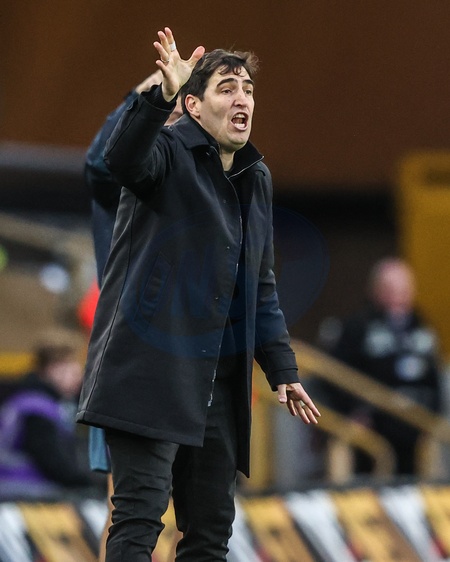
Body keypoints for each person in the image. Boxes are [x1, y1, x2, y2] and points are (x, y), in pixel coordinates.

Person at [77, 27, 320, 561]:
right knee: (138, 521)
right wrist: (159, 97)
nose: (242, 99)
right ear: (193, 105)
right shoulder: (165, 150)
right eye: (226, 89)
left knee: (210, 535)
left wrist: (282, 369)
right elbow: (119, 161)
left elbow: (260, 285)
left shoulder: (256, 177)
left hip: (218, 383)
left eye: (248, 89)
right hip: (148, 374)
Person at [83, 68, 183, 562]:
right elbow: (100, 164)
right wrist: (145, 96)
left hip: (185, 364)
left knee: (185, 508)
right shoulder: (123, 178)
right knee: (131, 507)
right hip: (131, 362)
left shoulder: (190, 181)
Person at [320, 256, 442, 475]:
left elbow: (434, 379)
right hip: (373, 425)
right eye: (389, 289)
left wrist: (435, 414)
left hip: (417, 424)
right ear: (374, 290)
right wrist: (354, 410)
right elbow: (335, 375)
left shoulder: (422, 327)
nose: (397, 296)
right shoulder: (357, 327)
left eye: (403, 289)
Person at [0, 330, 91, 499]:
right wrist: (91, 483)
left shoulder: (28, 399)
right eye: (70, 366)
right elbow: (53, 463)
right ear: (52, 369)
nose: (78, 374)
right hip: (25, 491)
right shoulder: (37, 409)